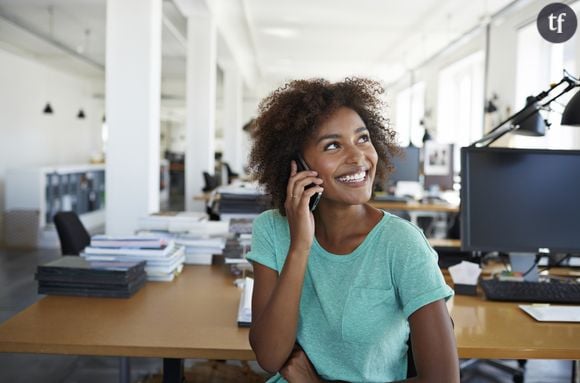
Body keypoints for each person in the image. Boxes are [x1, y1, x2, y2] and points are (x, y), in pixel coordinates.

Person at [245, 78, 459, 383]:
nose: (358, 157)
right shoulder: (271, 228)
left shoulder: (402, 243)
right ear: (296, 164)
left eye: (363, 138)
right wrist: (300, 246)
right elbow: (269, 357)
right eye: (333, 145)